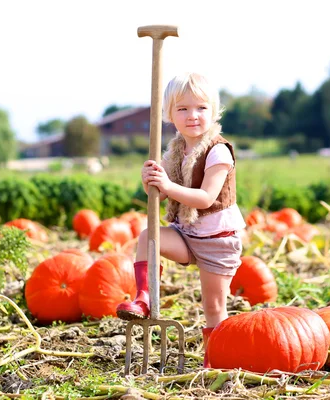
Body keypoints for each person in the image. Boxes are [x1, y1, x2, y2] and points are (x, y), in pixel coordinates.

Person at [116, 72, 245, 368]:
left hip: (218, 241)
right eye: (183, 109)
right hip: (187, 234)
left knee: (213, 306)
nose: (193, 116)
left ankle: (217, 360)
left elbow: (205, 198)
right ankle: (145, 297)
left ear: (213, 111)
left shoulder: (218, 151)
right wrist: (150, 180)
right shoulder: (175, 151)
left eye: (201, 108)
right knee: (149, 236)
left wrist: (168, 185)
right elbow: (159, 196)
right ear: (169, 115)